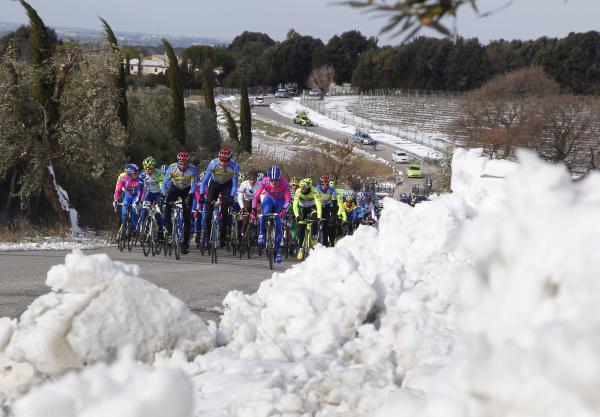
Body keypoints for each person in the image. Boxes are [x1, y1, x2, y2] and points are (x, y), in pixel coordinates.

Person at [199, 147, 240, 247]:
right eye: (221, 161)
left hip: (227, 185)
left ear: (230, 160)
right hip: (214, 185)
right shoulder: (213, 163)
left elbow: (234, 185)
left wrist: (231, 196)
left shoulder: (235, 166)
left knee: (225, 212)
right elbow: (204, 181)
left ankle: (222, 237)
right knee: (208, 214)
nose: (223, 164)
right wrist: (201, 194)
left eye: (225, 162)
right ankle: (207, 237)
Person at [251, 165, 291, 264]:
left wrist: (284, 209)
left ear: (279, 178)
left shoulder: (284, 183)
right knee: (264, 213)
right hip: (269, 199)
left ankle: (277, 251)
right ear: (269, 178)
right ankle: (261, 233)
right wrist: (253, 210)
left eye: (276, 180)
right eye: (272, 180)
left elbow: (288, 199)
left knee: (278, 226)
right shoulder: (264, 181)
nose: (274, 182)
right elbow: (256, 196)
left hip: (280, 202)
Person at [161, 151, 198, 254]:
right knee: (166, 207)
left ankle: (185, 244)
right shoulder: (172, 168)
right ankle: (169, 231)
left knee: (187, 217)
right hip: (175, 188)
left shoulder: (193, 169)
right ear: (178, 162)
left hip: (187, 190)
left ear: (187, 163)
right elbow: (164, 183)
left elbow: (194, 184)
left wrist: (190, 194)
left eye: (184, 163)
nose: (182, 166)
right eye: (180, 163)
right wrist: (163, 193)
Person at [293, 178, 322, 260]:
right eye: (301, 187)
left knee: (315, 218)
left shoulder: (315, 191)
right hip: (303, 208)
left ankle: (314, 236)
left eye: (304, 188)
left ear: (308, 187)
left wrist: (319, 217)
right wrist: (297, 216)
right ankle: (301, 249)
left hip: (312, 207)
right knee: (301, 228)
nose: (302, 189)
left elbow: (319, 205)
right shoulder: (298, 191)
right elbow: (295, 205)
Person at [138, 156, 165, 239]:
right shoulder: (142, 174)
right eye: (146, 169)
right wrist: (139, 199)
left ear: (153, 168)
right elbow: (140, 187)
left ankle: (160, 230)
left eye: (149, 169)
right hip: (149, 194)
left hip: (158, 193)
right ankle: (142, 230)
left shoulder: (158, 173)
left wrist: (161, 194)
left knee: (157, 213)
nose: (147, 171)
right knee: (144, 210)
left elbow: (162, 184)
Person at [113, 163, 142, 233]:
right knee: (124, 212)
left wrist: (139, 201)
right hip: (128, 195)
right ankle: (124, 229)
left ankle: (134, 228)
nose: (137, 175)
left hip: (136, 195)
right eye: (135, 173)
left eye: (137, 173)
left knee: (135, 210)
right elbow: (117, 191)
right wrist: (116, 200)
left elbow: (141, 192)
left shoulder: (140, 178)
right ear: (129, 174)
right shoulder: (122, 178)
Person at [315, 175, 337, 247]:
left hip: (327, 207)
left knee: (326, 224)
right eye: (323, 184)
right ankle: (313, 236)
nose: (325, 185)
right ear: (320, 184)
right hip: (317, 206)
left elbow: (334, 203)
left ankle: (325, 242)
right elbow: (312, 200)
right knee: (314, 221)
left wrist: (333, 215)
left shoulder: (332, 191)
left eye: (327, 184)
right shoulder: (316, 189)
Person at [237, 170, 259, 239]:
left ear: (256, 179)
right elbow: (240, 198)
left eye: (254, 179)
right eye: (250, 179)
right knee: (245, 220)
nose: (252, 181)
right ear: (248, 179)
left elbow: (262, 198)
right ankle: (242, 235)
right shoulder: (244, 184)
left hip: (256, 202)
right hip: (246, 201)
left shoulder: (259, 185)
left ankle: (256, 234)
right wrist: (242, 208)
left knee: (258, 217)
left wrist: (255, 209)